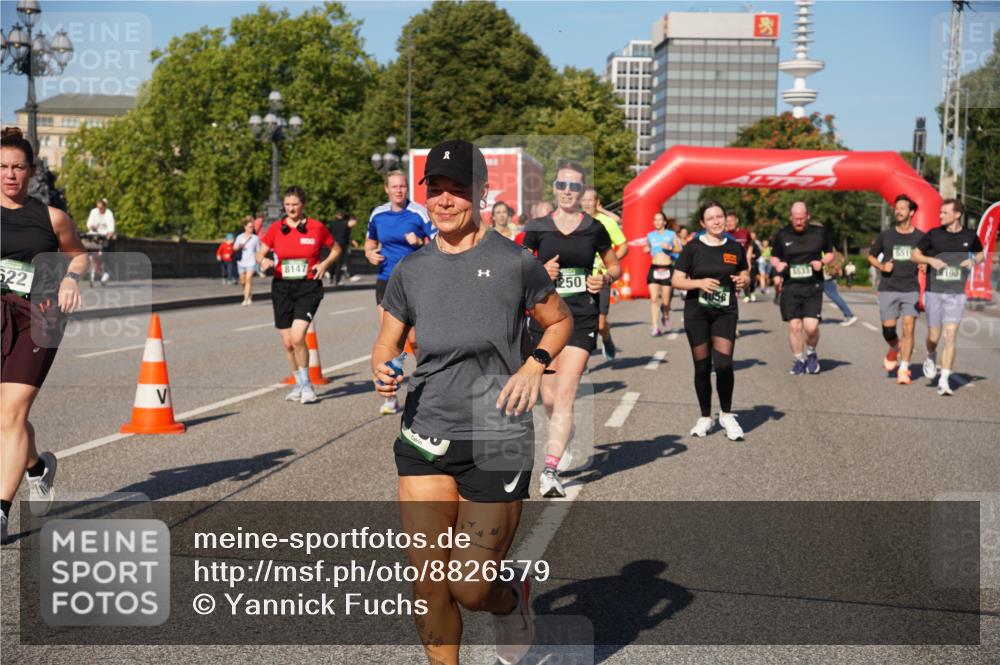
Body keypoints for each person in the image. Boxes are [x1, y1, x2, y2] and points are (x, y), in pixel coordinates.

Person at [372, 139, 571, 665]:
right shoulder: (410, 270)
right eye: (435, 190)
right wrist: (383, 365)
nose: (443, 200)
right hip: (425, 431)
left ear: (481, 194)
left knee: (471, 589)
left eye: (457, 189)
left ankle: (510, 598)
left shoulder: (514, 262)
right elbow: (387, 340)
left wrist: (534, 364)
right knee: (430, 583)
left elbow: (561, 320)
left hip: (496, 433)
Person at [1, 127, 87, 543]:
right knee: (5, 418)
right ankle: (37, 466)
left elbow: (80, 255)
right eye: (2, 167)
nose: (10, 175)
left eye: (18, 167)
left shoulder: (51, 218)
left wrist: (71, 279)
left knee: (12, 412)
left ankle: (0, 511)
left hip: (39, 316)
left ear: (32, 171)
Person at [523, 160, 621, 498]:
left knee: (564, 394)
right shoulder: (537, 226)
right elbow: (518, 266)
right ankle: (564, 432)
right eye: (563, 185)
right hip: (545, 320)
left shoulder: (595, 228)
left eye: (575, 186)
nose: (568, 191)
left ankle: (549, 471)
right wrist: (539, 270)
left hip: (581, 317)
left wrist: (604, 277)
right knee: (548, 398)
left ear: (582, 191)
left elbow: (615, 265)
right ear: (554, 187)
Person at [671, 200, 750, 440]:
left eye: (720, 216)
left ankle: (726, 414)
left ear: (726, 219)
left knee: (724, 365)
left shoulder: (734, 247)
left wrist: (743, 280)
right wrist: (698, 283)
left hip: (725, 310)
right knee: (702, 366)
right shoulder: (693, 247)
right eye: (711, 218)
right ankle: (705, 417)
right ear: (703, 223)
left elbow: (745, 272)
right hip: (698, 311)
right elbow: (676, 280)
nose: (716, 221)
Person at [256, 186, 339, 404]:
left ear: (303, 205)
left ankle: (308, 385)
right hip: (282, 287)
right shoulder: (275, 229)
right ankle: (299, 383)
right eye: (288, 205)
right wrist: (263, 261)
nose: (291, 209)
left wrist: (325, 263)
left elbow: (336, 249)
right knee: (287, 343)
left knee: (298, 337)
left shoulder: (316, 227)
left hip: (308, 287)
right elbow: (260, 253)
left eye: (295, 204)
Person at [366, 170, 435, 415]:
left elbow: (438, 242)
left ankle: (430, 381)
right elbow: (370, 241)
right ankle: (390, 393)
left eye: (403, 186)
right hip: (386, 281)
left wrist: (418, 242)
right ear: (386, 189)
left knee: (415, 339)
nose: (399, 190)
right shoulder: (378, 214)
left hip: (415, 281)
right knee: (389, 339)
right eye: (394, 186)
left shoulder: (418, 212)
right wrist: (369, 253)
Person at [912, 198, 984, 395]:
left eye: (945, 212)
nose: (940, 215)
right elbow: (914, 254)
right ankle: (930, 354)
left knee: (950, 335)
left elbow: (981, 254)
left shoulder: (970, 236)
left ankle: (944, 380)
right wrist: (929, 260)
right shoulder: (933, 235)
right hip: (934, 291)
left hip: (956, 293)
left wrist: (973, 261)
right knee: (934, 337)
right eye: (940, 212)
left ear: (957, 214)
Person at [770, 202, 834, 375]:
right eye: (795, 219)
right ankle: (799, 359)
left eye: (801, 218)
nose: (798, 222)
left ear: (808, 216)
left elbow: (830, 253)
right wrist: (778, 264)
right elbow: (774, 257)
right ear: (791, 217)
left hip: (812, 285)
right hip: (791, 286)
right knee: (795, 327)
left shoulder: (819, 233)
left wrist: (821, 262)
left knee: (811, 327)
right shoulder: (782, 234)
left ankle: (811, 353)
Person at [867, 194, 925, 385]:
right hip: (888, 287)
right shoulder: (887, 235)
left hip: (910, 288)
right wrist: (883, 267)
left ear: (911, 212)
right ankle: (894, 347)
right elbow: (871, 256)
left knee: (909, 327)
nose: (898, 211)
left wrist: (925, 265)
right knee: (888, 329)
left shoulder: (921, 237)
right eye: (896, 207)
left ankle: (904, 368)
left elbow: (927, 258)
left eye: (902, 208)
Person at [581, 186, 628, 360]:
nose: (586, 203)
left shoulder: (607, 222)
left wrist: (610, 262)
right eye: (583, 200)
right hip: (580, 278)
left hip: (600, 278)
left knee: (600, 325)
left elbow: (624, 246)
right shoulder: (574, 221)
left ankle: (606, 338)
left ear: (597, 203)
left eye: (590, 200)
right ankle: (580, 357)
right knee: (579, 322)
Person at [645, 211, 682, 336]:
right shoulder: (650, 235)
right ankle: (654, 326)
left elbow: (679, 249)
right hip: (654, 268)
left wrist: (670, 248)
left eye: (660, 219)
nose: (657, 222)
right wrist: (646, 249)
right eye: (655, 220)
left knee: (665, 301)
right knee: (654, 299)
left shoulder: (671, 234)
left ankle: (665, 314)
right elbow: (647, 246)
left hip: (667, 268)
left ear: (665, 222)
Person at [725, 212, 756, 302]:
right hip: (729, 261)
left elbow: (750, 245)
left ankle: (747, 293)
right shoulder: (723, 234)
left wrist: (748, 260)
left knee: (745, 278)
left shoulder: (745, 232)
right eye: (727, 221)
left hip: (742, 261)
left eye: (732, 220)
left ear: (737, 221)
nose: (729, 223)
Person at [821, 249, 858, 326]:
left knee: (835, 297)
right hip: (829, 276)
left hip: (826, 277)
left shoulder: (821, 249)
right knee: (832, 296)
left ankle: (849, 315)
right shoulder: (830, 249)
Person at [85, 197, 115, 283]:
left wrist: (110, 232)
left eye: (101, 208)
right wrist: (91, 226)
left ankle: (105, 272)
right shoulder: (94, 212)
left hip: (104, 235)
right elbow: (89, 223)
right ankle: (89, 266)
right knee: (89, 249)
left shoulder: (108, 213)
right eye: (98, 207)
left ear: (105, 207)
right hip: (95, 235)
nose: (99, 209)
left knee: (104, 253)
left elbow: (111, 226)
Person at [233, 216, 260, 306]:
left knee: (248, 280)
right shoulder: (240, 237)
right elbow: (234, 248)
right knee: (243, 281)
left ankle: (245, 299)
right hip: (241, 262)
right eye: (250, 227)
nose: (251, 228)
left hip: (251, 262)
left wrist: (259, 261)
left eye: (252, 227)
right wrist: (239, 247)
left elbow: (258, 251)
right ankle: (249, 294)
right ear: (245, 227)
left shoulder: (255, 238)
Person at [326, 210, 351, 285]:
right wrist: (347, 245)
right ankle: (337, 280)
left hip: (333, 244)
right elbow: (347, 236)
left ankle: (330, 277)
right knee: (339, 263)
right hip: (342, 245)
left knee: (333, 261)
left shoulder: (332, 223)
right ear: (342, 216)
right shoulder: (345, 224)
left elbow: (328, 233)